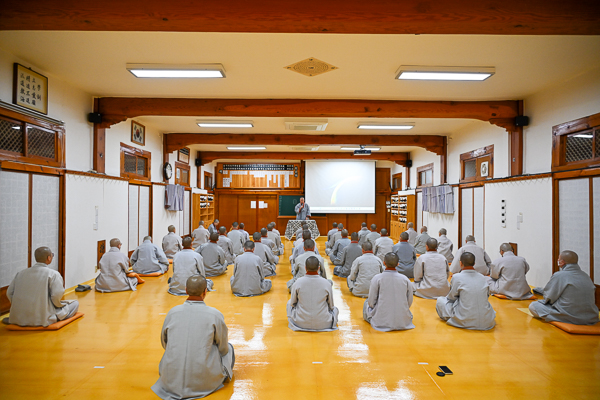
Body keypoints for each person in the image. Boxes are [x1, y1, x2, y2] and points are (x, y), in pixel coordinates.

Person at [152, 276, 234, 399]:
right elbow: (223, 348)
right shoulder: (215, 315)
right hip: (203, 382)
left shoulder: (172, 312)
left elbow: (165, 343)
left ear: (186, 290)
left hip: (170, 380)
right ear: (205, 291)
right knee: (230, 348)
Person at [7, 246, 79, 327]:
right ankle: (54, 317)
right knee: (75, 303)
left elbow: (9, 293)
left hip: (19, 317)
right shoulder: (53, 274)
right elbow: (56, 295)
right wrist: (58, 306)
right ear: (49, 258)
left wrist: (20, 306)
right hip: (43, 317)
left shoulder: (20, 273)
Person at [529, 250, 599, 325]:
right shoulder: (585, 275)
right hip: (591, 317)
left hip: (570, 315)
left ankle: (563, 319)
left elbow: (549, 298)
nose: (558, 261)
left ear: (562, 262)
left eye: (558, 259)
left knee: (534, 306)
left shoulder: (559, 275)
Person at [436, 252, 496, 330]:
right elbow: (486, 296)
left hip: (465, 319)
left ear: (460, 263)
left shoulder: (456, 277)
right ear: (474, 263)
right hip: (487, 321)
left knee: (440, 301)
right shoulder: (482, 277)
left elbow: (451, 298)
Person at [363, 253, 414, 331]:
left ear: (384, 263)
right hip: (403, 322)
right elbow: (409, 301)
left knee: (366, 302)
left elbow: (371, 302)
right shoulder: (405, 279)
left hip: (381, 321)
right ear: (398, 264)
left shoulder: (377, 278)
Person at [287, 256, 339, 332]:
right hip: (324, 323)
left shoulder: (298, 282)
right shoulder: (326, 283)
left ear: (305, 268)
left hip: (300, 323)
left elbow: (292, 303)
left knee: (289, 303)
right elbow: (331, 306)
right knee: (335, 309)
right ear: (318, 268)